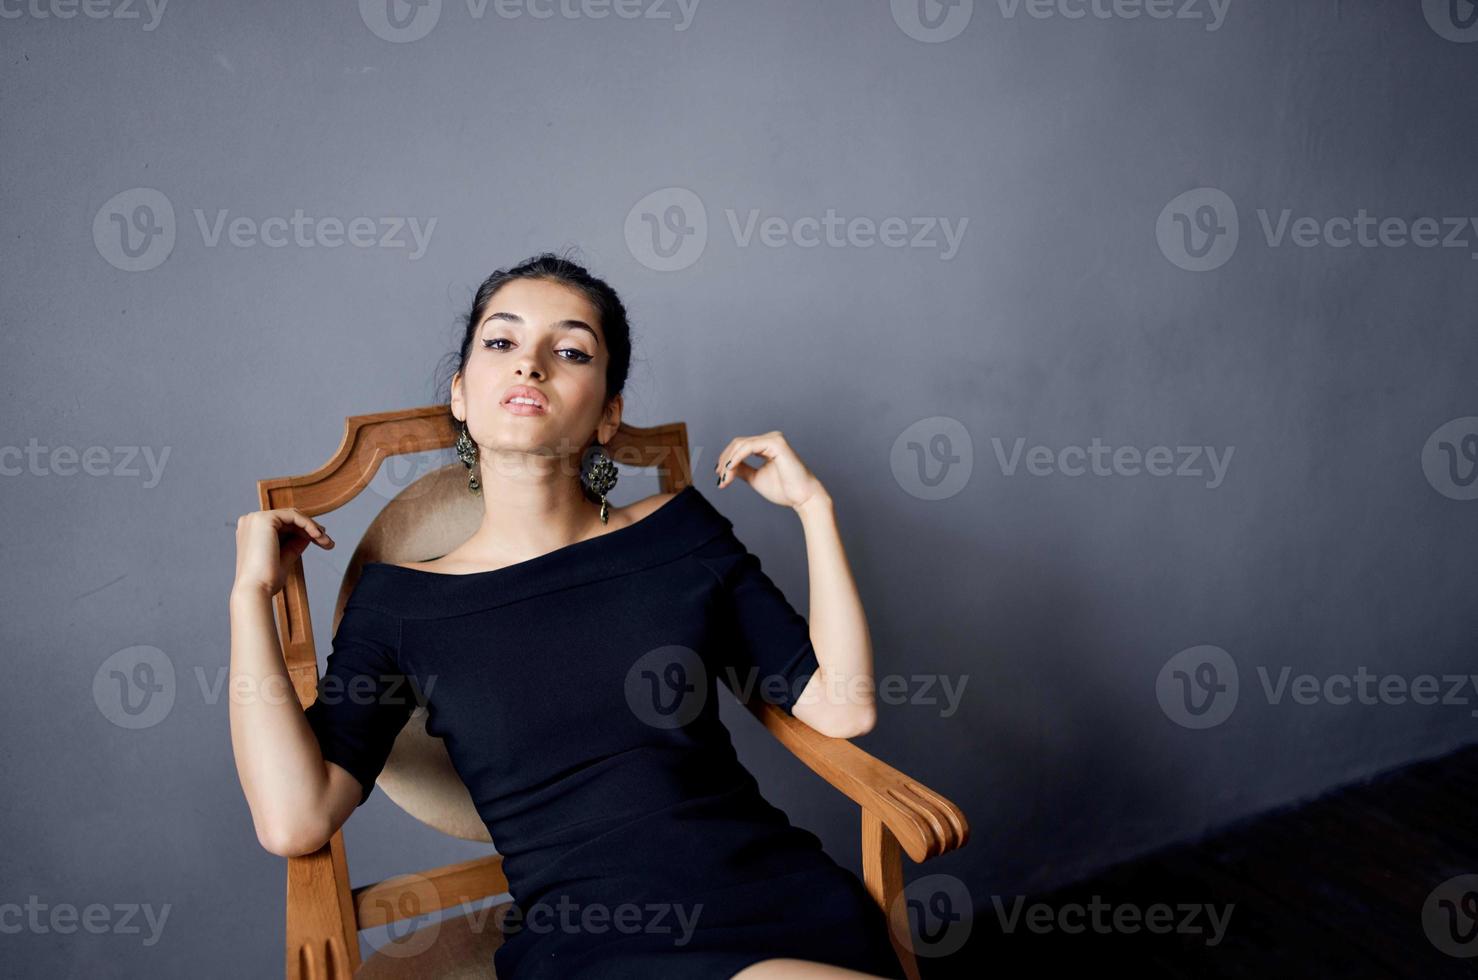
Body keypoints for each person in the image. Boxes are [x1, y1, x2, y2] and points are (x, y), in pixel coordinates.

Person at [229, 252, 905, 979]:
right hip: (592, 940)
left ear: (609, 412)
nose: (530, 366)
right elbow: (294, 818)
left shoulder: (678, 533)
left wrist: (814, 509)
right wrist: (248, 600)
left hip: (770, 897)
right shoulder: (399, 604)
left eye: (571, 350)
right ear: (461, 393)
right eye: (502, 342)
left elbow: (843, 706)